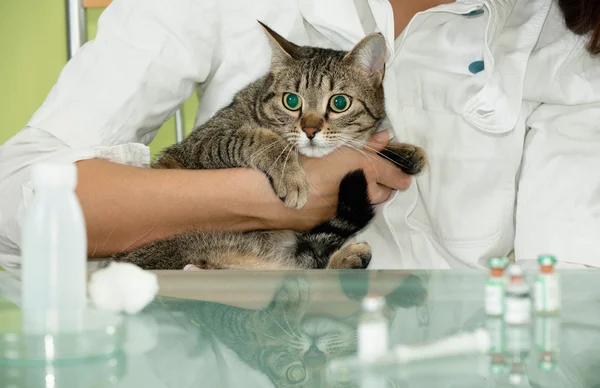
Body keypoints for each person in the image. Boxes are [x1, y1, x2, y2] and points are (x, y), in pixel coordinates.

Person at [0, 0, 599, 271]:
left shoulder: (565, 30)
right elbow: (18, 197)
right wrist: (262, 199)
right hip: (237, 357)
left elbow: (578, 281)